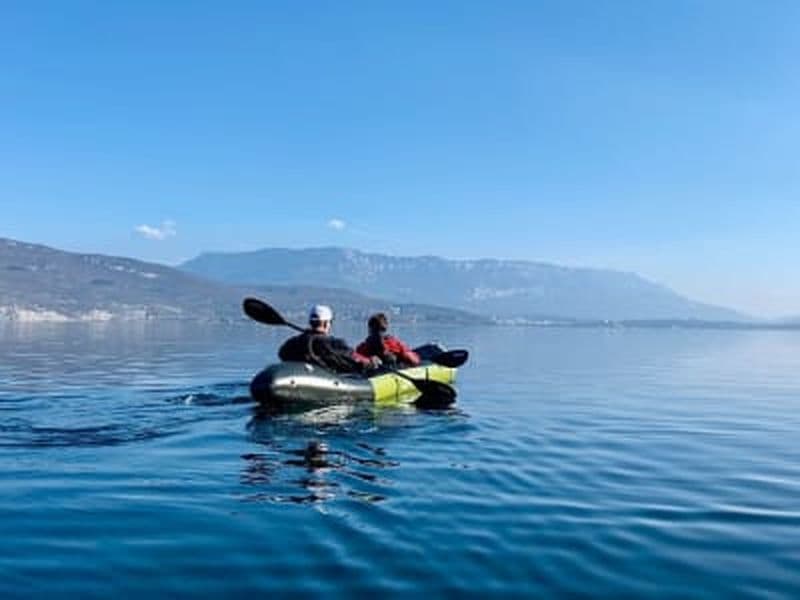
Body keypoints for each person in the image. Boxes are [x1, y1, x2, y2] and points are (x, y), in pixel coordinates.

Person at [278, 304, 380, 373]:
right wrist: (371, 362)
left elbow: (282, 354)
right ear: (327, 323)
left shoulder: (293, 342)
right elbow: (353, 357)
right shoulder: (334, 343)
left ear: (310, 322)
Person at [356, 312, 421, 367]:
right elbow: (415, 361)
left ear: (369, 329)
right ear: (385, 329)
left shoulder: (362, 347)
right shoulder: (395, 344)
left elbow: (357, 357)